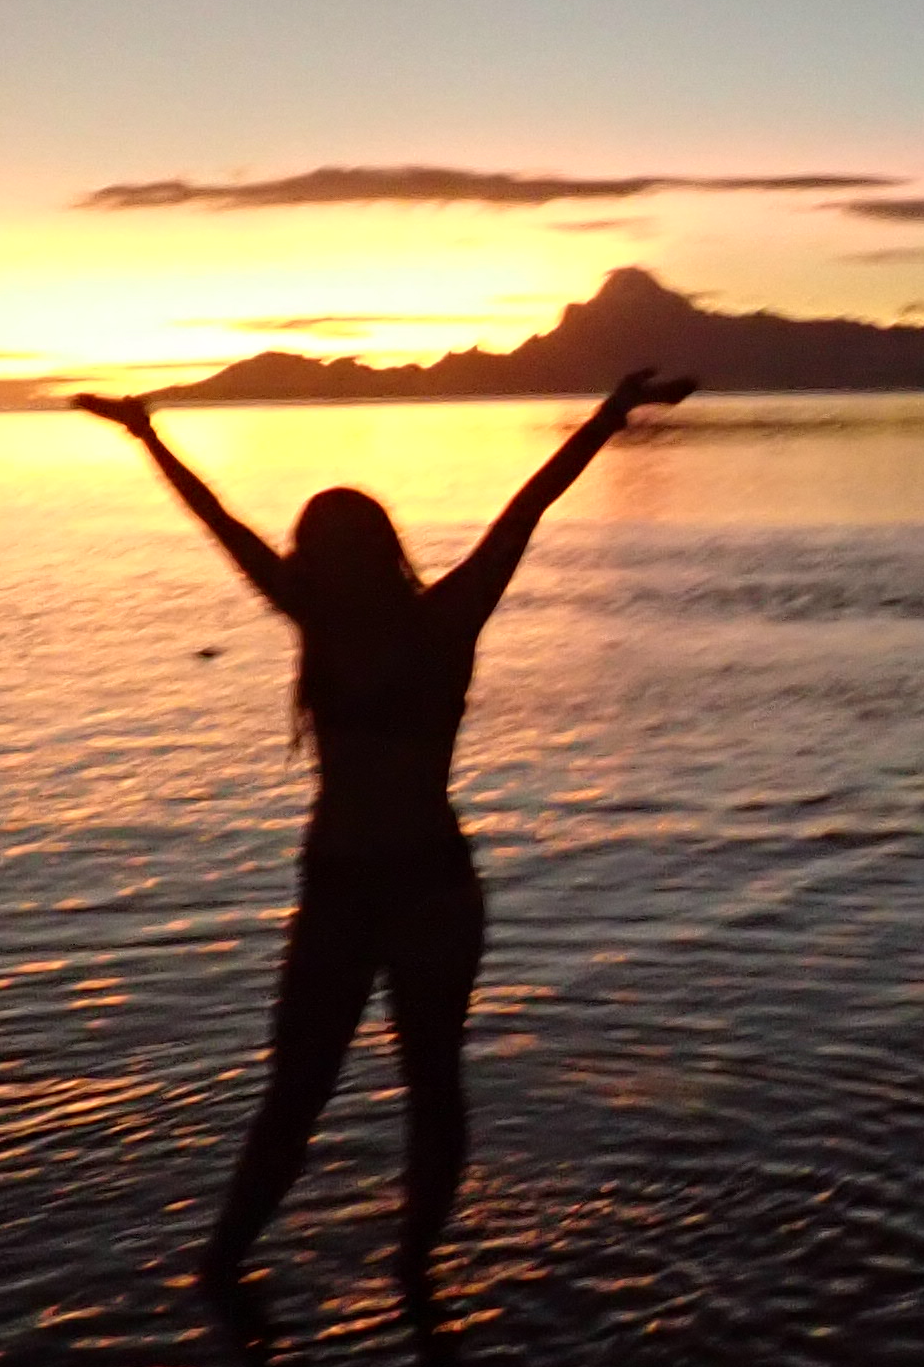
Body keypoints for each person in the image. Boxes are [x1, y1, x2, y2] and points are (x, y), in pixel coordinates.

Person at [76, 370, 695, 1299]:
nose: (315, 559)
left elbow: (526, 509)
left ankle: (413, 1269)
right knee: (297, 1086)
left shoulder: (446, 620)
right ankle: (221, 1268)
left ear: (372, 549)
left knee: (431, 1082)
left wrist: (609, 416)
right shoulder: (314, 624)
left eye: (331, 543)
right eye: (311, 546)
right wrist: (149, 438)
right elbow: (224, 529)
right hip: (334, 887)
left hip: (429, 888)